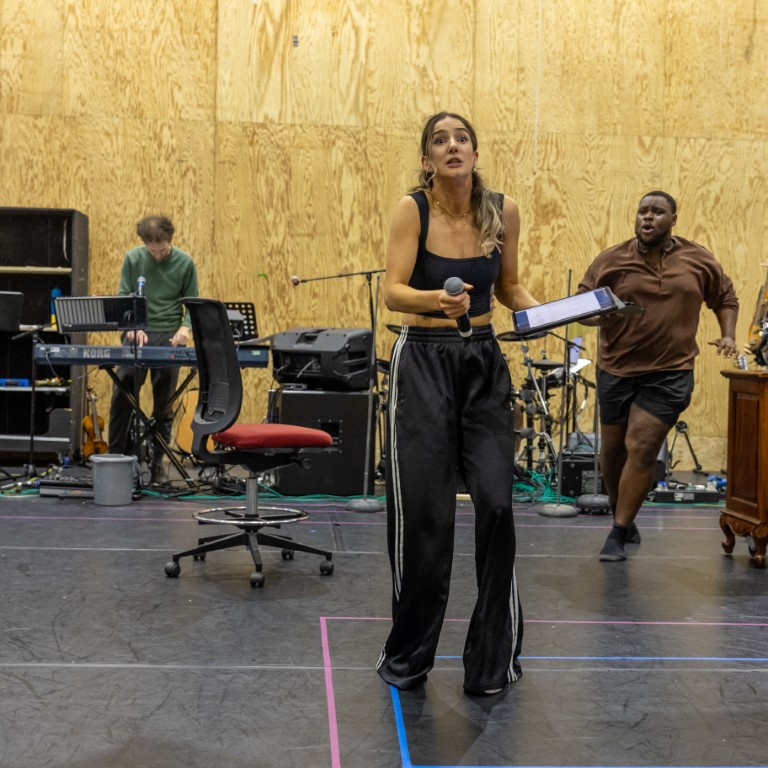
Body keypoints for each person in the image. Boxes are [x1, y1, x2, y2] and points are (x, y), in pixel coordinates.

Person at [375, 112, 539, 696]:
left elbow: (509, 286)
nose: (452, 146)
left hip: (483, 364)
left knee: (497, 505)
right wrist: (433, 302)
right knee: (427, 517)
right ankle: (410, 655)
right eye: (439, 140)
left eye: (461, 138)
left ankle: (493, 660)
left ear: (474, 152)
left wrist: (541, 311)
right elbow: (392, 291)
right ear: (426, 159)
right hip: (421, 360)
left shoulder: (503, 210)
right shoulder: (411, 209)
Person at [578, 191, 739, 562]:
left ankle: (616, 533)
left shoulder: (698, 259)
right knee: (613, 452)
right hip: (617, 368)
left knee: (642, 446)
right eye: (642, 211)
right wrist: (599, 316)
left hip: (670, 372)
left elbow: (725, 297)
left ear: (673, 219)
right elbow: (582, 305)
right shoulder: (612, 260)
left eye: (657, 212)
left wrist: (728, 334)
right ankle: (625, 512)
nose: (647, 218)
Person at [107, 215, 199, 484]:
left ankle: (158, 462)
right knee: (122, 391)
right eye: (152, 250)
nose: (158, 255)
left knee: (165, 402)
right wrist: (132, 327)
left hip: (169, 336)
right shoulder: (133, 259)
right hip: (137, 333)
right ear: (145, 244)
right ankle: (115, 458)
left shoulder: (184, 262)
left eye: (163, 249)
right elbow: (124, 295)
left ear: (170, 240)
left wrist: (185, 328)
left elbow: (192, 303)